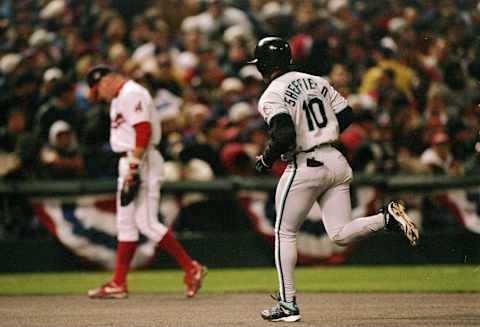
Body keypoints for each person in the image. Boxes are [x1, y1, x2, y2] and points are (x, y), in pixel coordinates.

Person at [249, 37, 420, 322]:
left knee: (284, 232)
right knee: (339, 234)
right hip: (335, 160)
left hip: (305, 164)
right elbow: (348, 114)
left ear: (265, 65)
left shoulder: (272, 93)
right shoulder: (316, 81)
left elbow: (284, 135)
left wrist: (266, 160)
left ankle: (288, 303)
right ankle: (386, 218)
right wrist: (321, 133)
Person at [85, 65, 207, 299]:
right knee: (126, 224)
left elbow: (143, 130)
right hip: (132, 159)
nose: (98, 96)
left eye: (97, 89)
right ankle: (118, 283)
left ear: (106, 80)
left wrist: (133, 166)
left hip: (141, 159)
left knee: (146, 221)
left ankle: (191, 268)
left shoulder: (131, 92)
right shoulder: (120, 97)